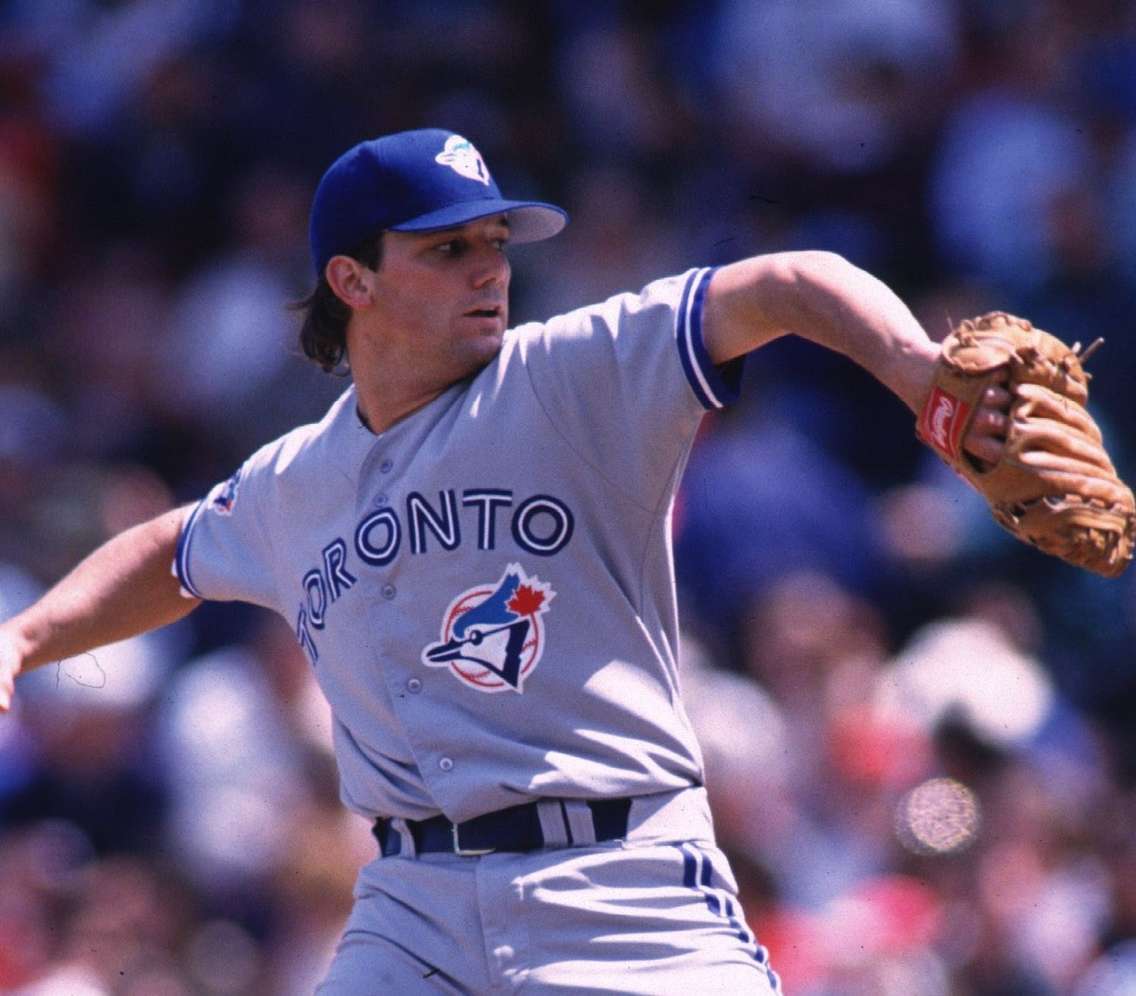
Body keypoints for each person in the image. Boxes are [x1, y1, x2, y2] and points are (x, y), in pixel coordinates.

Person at [0, 128, 1010, 994]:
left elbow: (787, 283)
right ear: (350, 279)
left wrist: (915, 370)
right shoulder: (294, 480)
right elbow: (171, 553)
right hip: (411, 911)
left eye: (494, 242)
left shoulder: (569, 373)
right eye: (446, 249)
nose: (489, 267)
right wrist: (29, 636)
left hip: (619, 883)